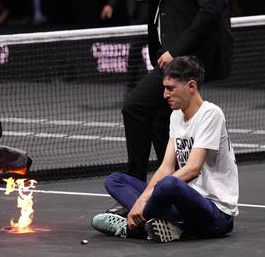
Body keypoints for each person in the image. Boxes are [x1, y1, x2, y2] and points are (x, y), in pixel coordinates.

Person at [120, 0, 233, 187]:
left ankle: (134, 188)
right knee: (160, 121)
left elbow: (211, 11)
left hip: (189, 58)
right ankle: (170, 187)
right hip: (173, 55)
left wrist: (175, 51)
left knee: (134, 106)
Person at [92, 56, 238, 243]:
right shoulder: (176, 116)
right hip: (184, 206)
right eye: (164, 88)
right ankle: (166, 225)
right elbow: (166, 167)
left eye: (170, 88)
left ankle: (132, 228)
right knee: (115, 180)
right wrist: (141, 200)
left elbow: (193, 169)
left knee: (169, 184)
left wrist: (144, 201)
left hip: (216, 214)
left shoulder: (211, 114)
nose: (165, 95)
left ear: (191, 87)